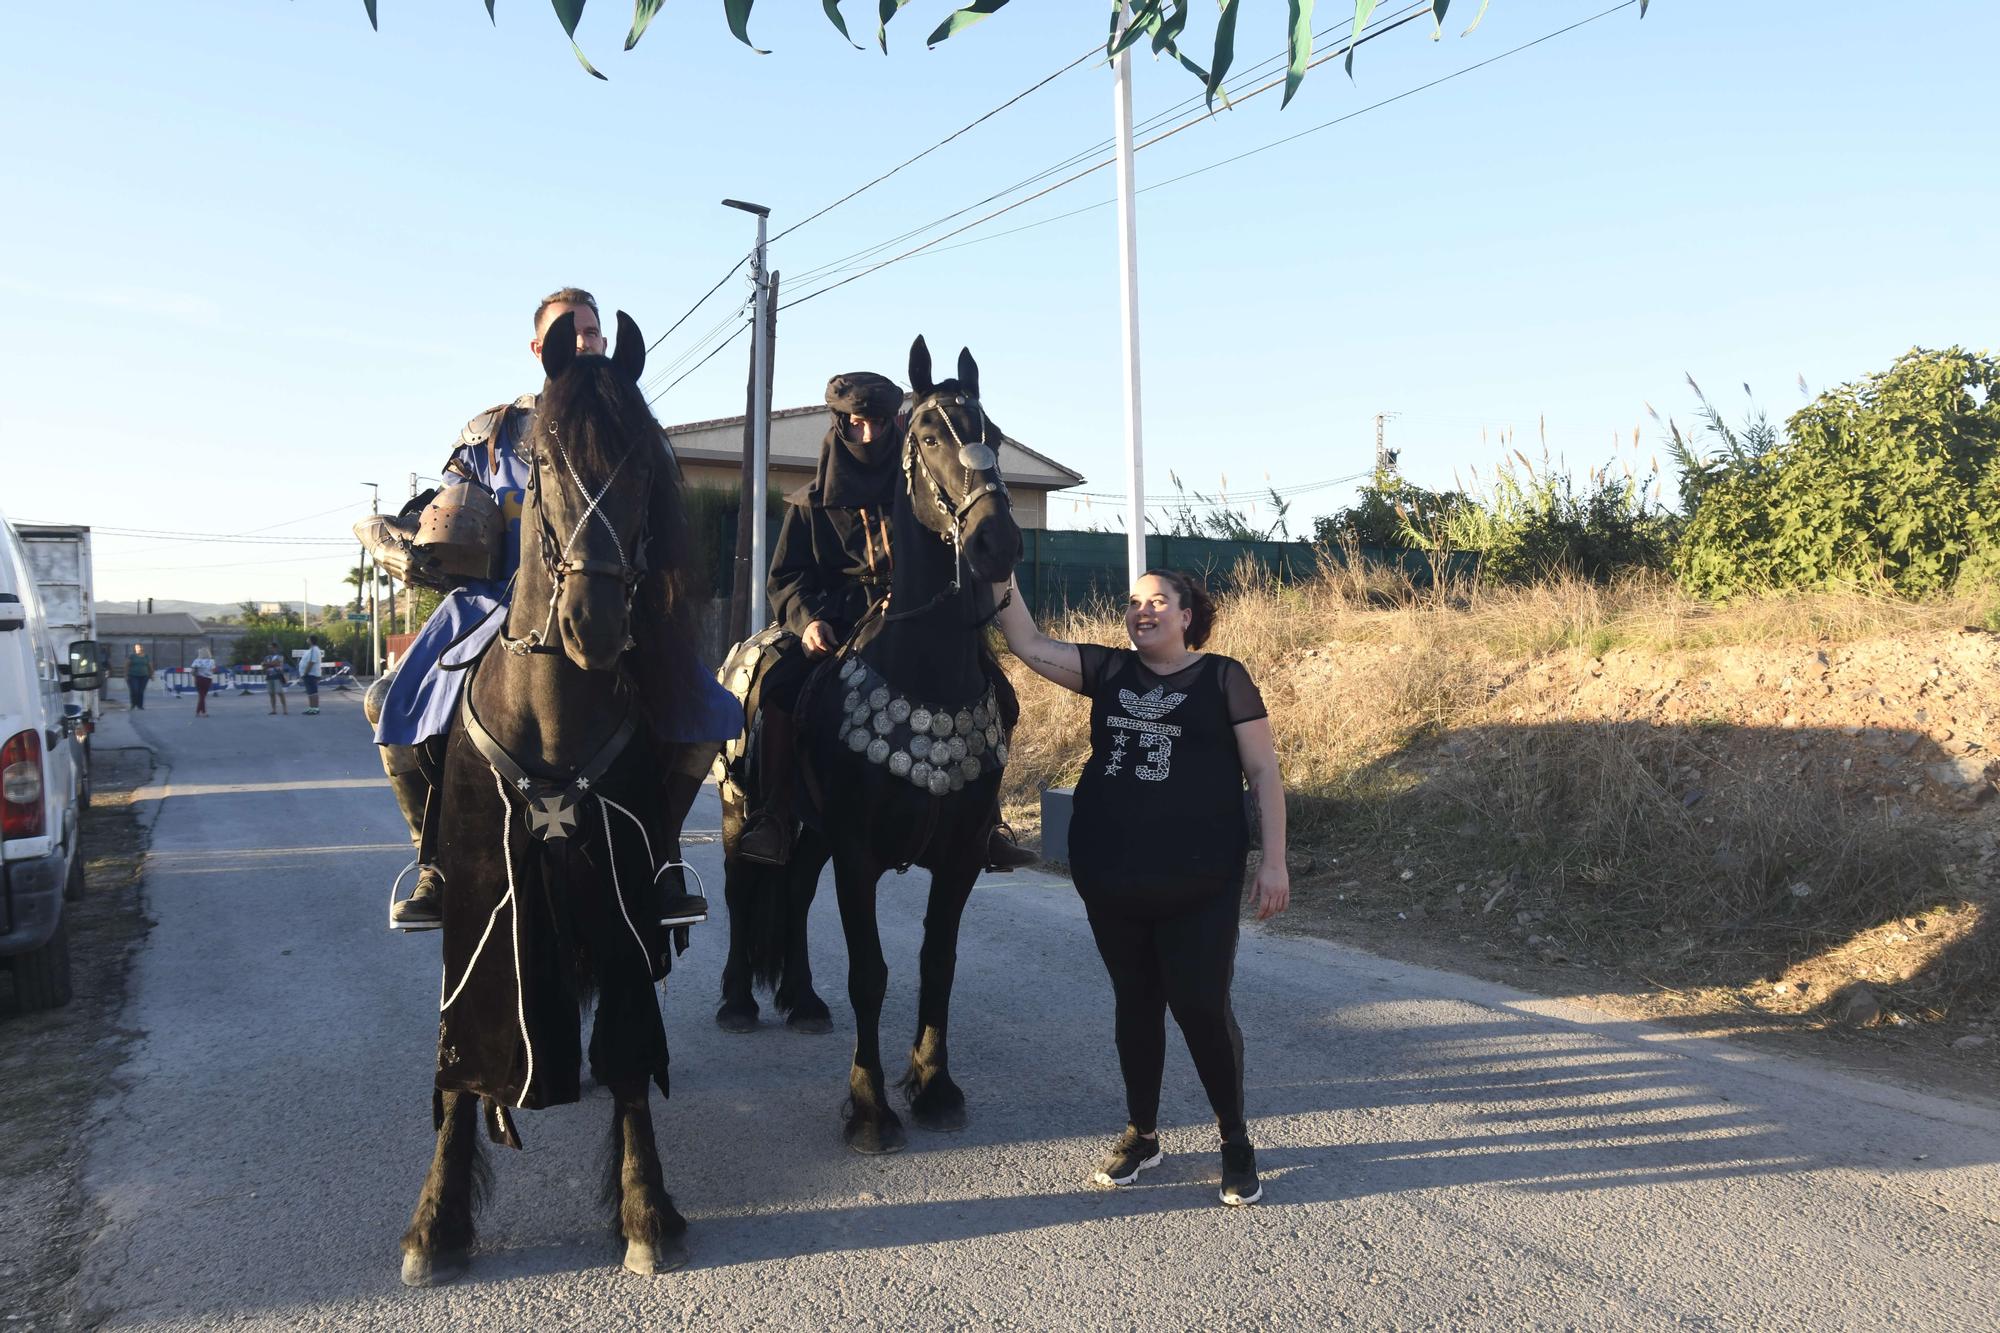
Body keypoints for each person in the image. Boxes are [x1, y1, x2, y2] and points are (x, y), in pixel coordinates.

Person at [358, 286, 730, 931]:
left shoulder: (626, 417)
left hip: (610, 592)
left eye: (592, 331)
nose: (584, 340)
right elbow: (454, 506)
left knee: (706, 708)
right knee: (395, 701)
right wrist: (421, 539)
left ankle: (663, 859)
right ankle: (434, 864)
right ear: (541, 349)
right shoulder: (493, 429)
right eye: (570, 332)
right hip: (498, 597)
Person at [992, 568, 1289, 1207]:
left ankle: (1234, 1140)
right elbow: (1027, 642)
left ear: (1187, 616)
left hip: (1201, 876)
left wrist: (1274, 862)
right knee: (1135, 1003)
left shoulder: (1223, 678)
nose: (1142, 610)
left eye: (1158, 601)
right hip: (1111, 873)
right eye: (1134, 602)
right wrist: (999, 569)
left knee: (1202, 1004)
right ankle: (1143, 1134)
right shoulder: (1108, 671)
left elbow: (1263, 772)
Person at [736, 371, 1036, 871]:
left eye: (879, 423)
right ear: (841, 425)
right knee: (779, 689)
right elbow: (786, 578)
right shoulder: (810, 503)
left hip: (916, 619)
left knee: (997, 693)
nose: (870, 435)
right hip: (836, 624)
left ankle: (986, 824)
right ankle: (775, 815)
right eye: (859, 424)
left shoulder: (923, 485)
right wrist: (807, 622)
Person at [298, 635, 324, 716]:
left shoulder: (314, 650)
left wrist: (305, 672)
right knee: (310, 692)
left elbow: (311, 662)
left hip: (311, 674)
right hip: (310, 674)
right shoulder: (312, 649)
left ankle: (315, 708)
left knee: (313, 692)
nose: (307, 639)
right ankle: (311, 707)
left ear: (311, 640)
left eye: (308, 638)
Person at [263, 641, 289, 715]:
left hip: (277, 676)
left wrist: (267, 664)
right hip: (269, 676)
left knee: (280, 692)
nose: (269, 649)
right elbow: (263, 666)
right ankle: (274, 710)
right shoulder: (267, 657)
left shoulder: (280, 656)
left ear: (275, 648)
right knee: (271, 694)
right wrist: (268, 665)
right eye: (269, 648)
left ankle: (285, 709)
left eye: (271, 647)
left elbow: (276, 663)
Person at [124, 644, 151, 710]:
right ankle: (133, 704)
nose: (137, 649)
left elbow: (150, 666)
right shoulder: (132, 656)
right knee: (134, 690)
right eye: (136, 648)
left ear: (142, 648)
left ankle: (140, 705)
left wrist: (152, 674)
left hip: (144, 676)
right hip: (133, 676)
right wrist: (125, 674)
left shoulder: (146, 656)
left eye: (138, 647)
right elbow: (127, 665)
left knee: (141, 691)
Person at [190, 651, 216, 716]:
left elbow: (192, 670)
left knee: (201, 695)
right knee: (203, 696)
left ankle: (198, 712)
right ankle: (203, 712)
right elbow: (213, 670)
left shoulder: (196, 660)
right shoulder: (211, 661)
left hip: (198, 678)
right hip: (207, 679)